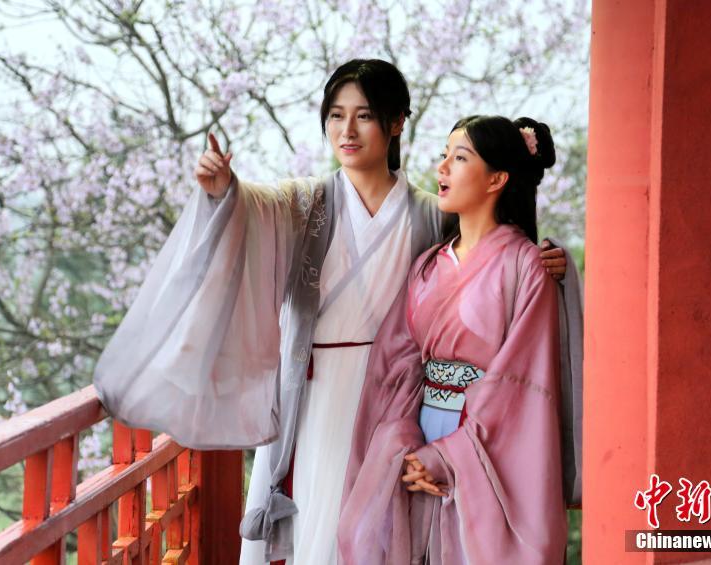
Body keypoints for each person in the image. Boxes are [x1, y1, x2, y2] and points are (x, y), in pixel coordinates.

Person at [93, 60, 570, 565]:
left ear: (396, 122)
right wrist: (225, 194)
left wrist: (543, 261)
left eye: (364, 115)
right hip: (316, 392)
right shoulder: (305, 203)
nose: (347, 130)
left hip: (395, 396)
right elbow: (253, 211)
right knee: (315, 522)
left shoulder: (431, 212)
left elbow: (486, 256)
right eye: (336, 115)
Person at [338, 115, 574, 564]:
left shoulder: (528, 266)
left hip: (485, 451)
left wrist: (448, 457)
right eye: (443, 155)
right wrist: (406, 444)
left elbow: (522, 387)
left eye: (460, 158)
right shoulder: (428, 265)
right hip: (417, 445)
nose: (442, 168)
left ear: (497, 179)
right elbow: (395, 365)